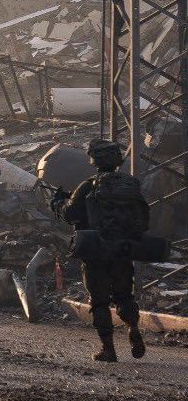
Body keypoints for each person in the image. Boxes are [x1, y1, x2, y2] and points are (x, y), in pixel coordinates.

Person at [53, 139, 150, 362]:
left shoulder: (88, 185)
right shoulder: (130, 185)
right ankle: (133, 328)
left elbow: (71, 215)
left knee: (99, 300)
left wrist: (59, 203)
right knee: (125, 295)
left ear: (94, 161)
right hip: (123, 249)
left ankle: (108, 349)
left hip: (95, 250)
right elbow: (141, 219)